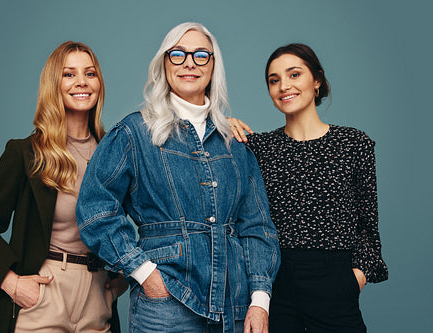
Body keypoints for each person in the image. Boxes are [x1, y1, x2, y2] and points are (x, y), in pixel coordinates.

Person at [76, 22, 280, 333]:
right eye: (178, 54)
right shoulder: (135, 132)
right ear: (164, 63)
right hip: (166, 305)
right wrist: (145, 273)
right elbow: (95, 209)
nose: (189, 63)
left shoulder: (234, 143)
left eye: (201, 55)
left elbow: (257, 227)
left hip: (234, 308)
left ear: (213, 66)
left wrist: (260, 301)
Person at [0, 41, 127, 333]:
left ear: (99, 83)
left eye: (90, 73)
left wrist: (117, 286)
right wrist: (12, 283)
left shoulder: (114, 154)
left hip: (97, 296)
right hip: (43, 295)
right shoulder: (25, 154)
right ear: (54, 84)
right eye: (69, 74)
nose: (81, 82)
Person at [228, 43, 388, 332]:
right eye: (274, 80)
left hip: (335, 282)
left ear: (317, 80)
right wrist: (220, 124)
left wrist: (354, 280)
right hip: (276, 284)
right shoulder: (259, 148)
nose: (283, 86)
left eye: (294, 74)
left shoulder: (353, 144)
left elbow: (368, 228)